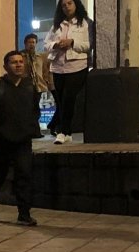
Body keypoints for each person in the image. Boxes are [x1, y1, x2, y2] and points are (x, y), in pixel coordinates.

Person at [0, 51, 41, 227]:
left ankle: (24, 214)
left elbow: (34, 112)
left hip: (23, 141)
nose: (18, 65)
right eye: (14, 62)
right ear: (6, 66)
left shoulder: (30, 88)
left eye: (21, 61)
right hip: (2, 141)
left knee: (24, 175)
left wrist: (30, 129)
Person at [44, 0, 91, 145]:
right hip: (58, 67)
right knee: (60, 100)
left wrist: (72, 42)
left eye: (69, 3)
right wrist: (56, 44)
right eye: (63, 5)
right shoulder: (56, 25)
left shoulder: (85, 23)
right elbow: (46, 44)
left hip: (77, 65)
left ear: (76, 4)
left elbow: (89, 45)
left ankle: (62, 131)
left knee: (68, 98)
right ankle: (67, 132)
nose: (67, 7)